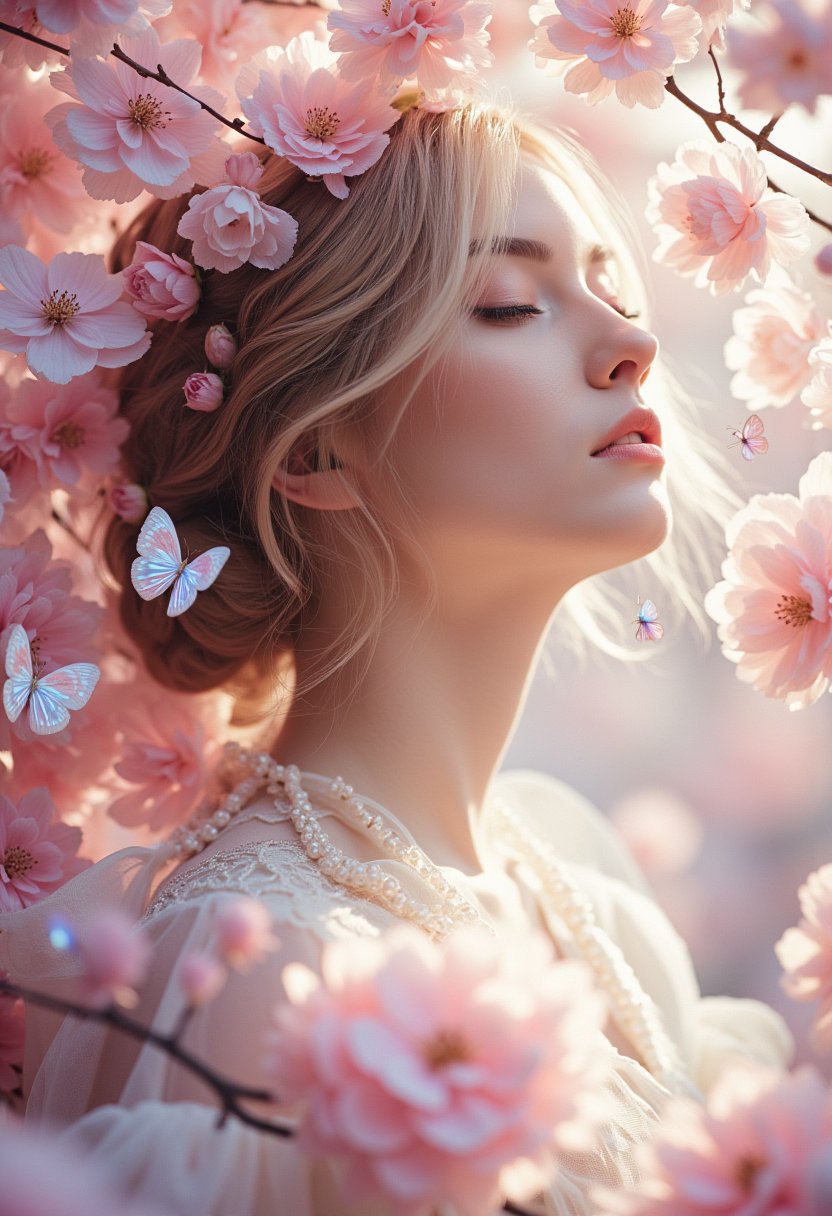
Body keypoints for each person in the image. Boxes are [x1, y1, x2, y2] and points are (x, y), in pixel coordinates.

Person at [0, 101, 792, 1215]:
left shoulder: (580, 892)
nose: (632, 343)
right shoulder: (275, 977)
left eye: (611, 285)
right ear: (317, 448)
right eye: (509, 304)